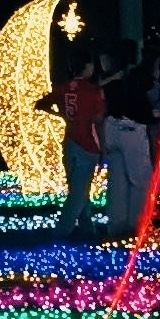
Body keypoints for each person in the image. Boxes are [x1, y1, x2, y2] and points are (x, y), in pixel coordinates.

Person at [49, 48, 109, 235]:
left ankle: (87, 229)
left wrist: (61, 115)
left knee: (78, 189)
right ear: (86, 66)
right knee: (78, 194)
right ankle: (61, 233)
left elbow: (41, 103)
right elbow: (98, 121)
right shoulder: (93, 91)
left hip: (69, 142)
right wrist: (104, 148)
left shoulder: (63, 87)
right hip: (87, 145)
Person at [97, 62, 158, 239]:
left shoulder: (116, 87)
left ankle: (116, 225)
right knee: (140, 181)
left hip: (112, 130)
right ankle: (136, 225)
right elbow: (148, 121)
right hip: (132, 132)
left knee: (117, 182)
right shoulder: (140, 97)